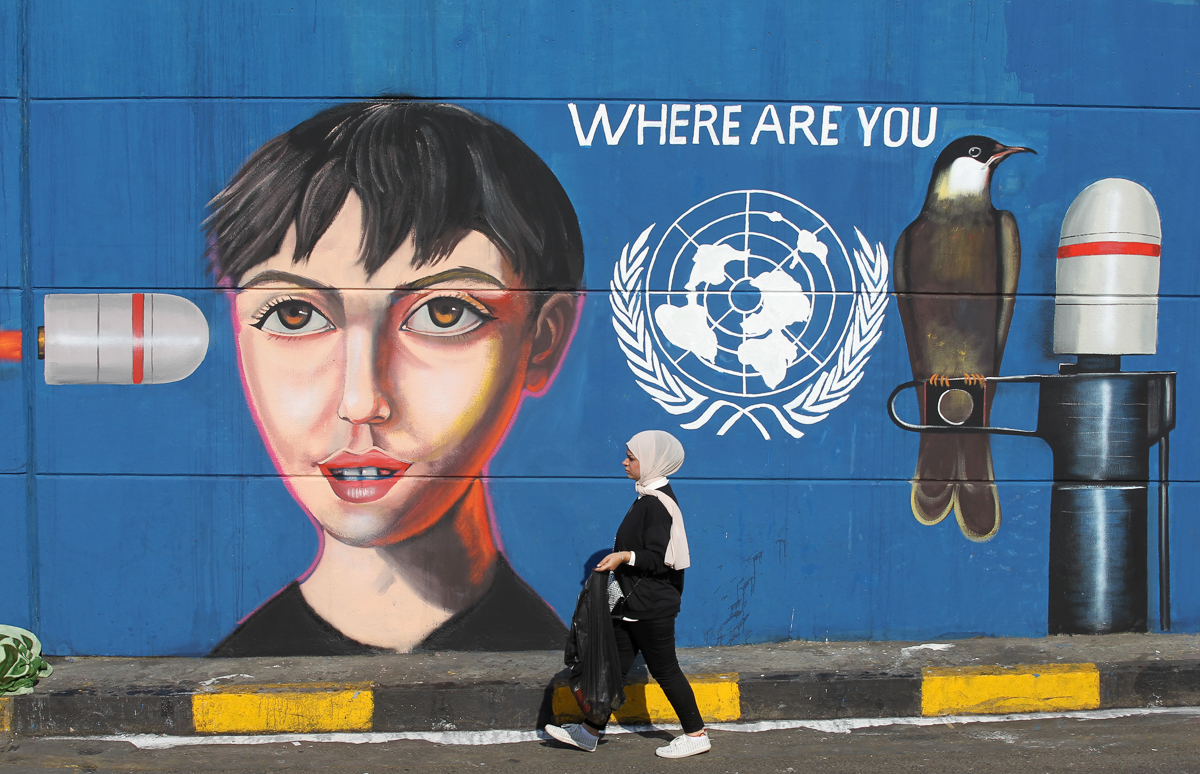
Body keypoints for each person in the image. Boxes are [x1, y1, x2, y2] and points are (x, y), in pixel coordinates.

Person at [205, 100, 582, 656]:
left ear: (543, 340)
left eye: (444, 314)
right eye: (294, 315)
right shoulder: (231, 673)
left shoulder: (560, 660)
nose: (361, 401)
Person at [544, 430, 711, 759]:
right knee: (615, 668)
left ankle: (696, 733)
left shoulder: (658, 504)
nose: (625, 461)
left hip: (651, 605)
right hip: (631, 602)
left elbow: (659, 560)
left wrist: (623, 557)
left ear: (649, 462)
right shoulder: (646, 497)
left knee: (665, 670)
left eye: (631, 457)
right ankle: (590, 731)